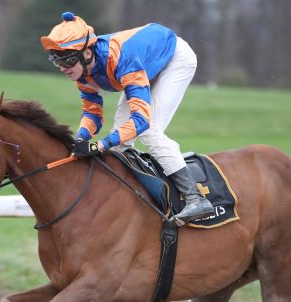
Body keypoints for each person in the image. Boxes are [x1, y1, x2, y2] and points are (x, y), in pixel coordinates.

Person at [40, 12, 214, 224]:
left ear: (86, 53)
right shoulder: (81, 73)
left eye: (67, 61)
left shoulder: (121, 59)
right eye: (57, 61)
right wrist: (81, 138)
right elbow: (92, 114)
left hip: (175, 59)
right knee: (120, 141)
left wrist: (100, 145)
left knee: (150, 131)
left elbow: (141, 121)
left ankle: (195, 198)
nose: (62, 68)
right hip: (145, 63)